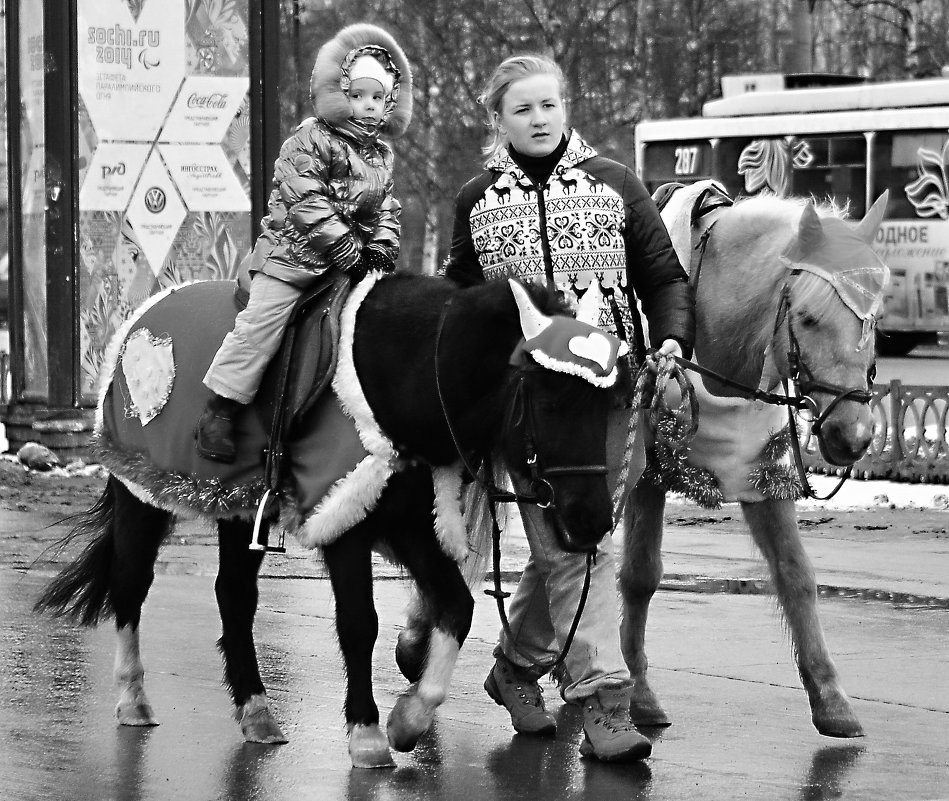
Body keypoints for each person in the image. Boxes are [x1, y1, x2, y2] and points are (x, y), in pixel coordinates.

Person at [443, 54, 695, 762]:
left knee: (573, 542)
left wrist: (673, 338)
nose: (538, 118)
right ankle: (602, 701)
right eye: (521, 108)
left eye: (548, 104)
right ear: (497, 119)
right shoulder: (476, 199)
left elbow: (661, 275)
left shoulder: (616, 183)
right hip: (525, 405)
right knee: (574, 546)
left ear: (565, 107)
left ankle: (516, 666)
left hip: (611, 394)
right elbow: (462, 299)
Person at [196, 23, 412, 463]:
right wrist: (346, 248)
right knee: (262, 323)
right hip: (294, 256)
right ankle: (221, 410)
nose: (367, 106)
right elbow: (305, 197)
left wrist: (382, 249)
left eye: (377, 98)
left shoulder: (381, 155)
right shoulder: (310, 138)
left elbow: (386, 205)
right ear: (340, 94)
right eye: (358, 95)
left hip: (350, 262)